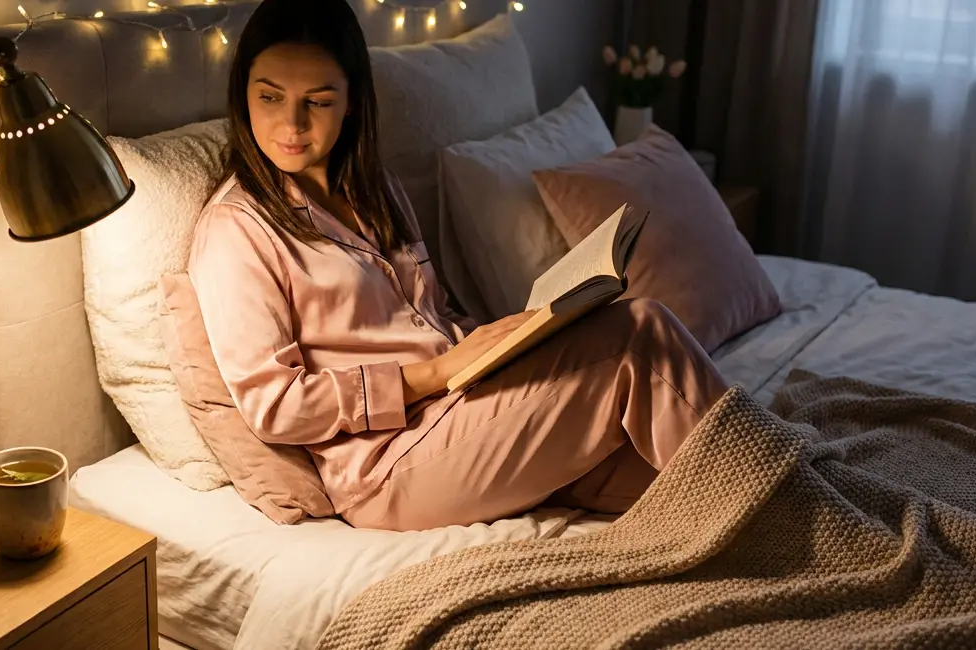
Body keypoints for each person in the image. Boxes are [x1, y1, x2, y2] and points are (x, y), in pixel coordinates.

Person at [188, 0, 728, 531]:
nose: (292, 123)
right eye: (270, 97)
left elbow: (431, 314)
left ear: (351, 100)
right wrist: (432, 375)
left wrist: (509, 342)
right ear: (244, 94)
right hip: (388, 464)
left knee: (688, 485)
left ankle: (792, 519)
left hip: (467, 412)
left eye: (319, 101)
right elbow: (274, 406)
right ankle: (793, 510)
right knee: (639, 332)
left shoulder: (376, 188)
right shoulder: (237, 229)